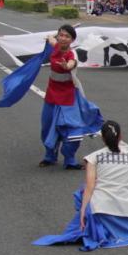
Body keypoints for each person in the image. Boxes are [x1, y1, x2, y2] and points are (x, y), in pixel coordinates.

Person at [32, 120, 128, 250]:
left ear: (103, 139)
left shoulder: (94, 157)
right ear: (121, 137)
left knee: (82, 192)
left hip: (102, 208)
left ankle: (95, 228)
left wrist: (83, 211)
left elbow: (90, 186)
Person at [37, 24, 103, 169]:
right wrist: (50, 37)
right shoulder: (55, 46)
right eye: (61, 35)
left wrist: (67, 66)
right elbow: (51, 39)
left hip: (68, 97)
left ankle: (70, 160)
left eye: (67, 36)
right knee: (47, 127)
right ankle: (50, 156)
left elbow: (71, 64)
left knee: (72, 130)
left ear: (72, 40)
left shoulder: (71, 54)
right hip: (52, 96)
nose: (63, 38)